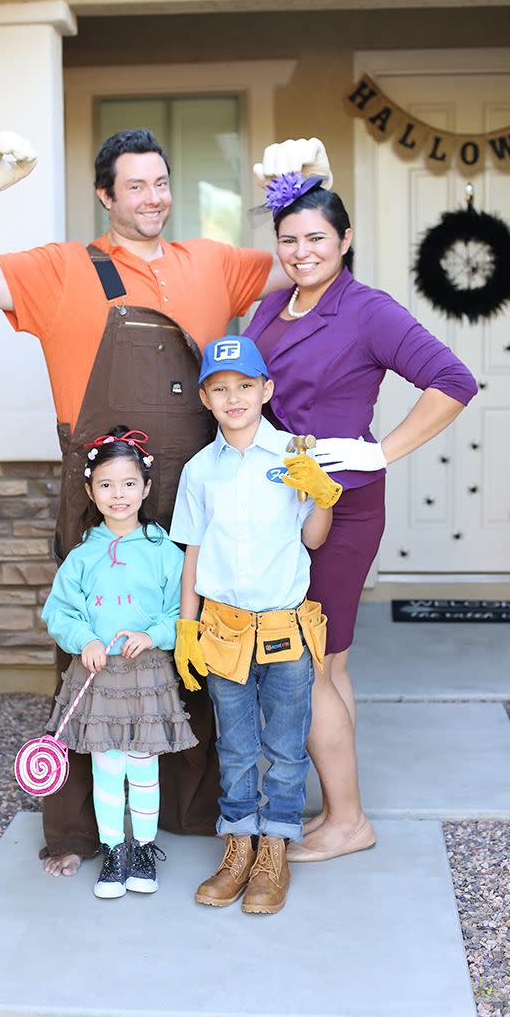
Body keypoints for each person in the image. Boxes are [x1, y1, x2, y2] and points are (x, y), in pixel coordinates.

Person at [0, 126, 313, 877]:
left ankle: (199, 809)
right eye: (135, 185)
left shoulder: (210, 262)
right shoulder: (60, 269)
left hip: (197, 486)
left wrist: (301, 188)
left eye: (161, 182)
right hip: (105, 492)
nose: (153, 198)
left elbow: (307, 259)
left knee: (197, 639)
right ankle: (78, 828)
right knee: (93, 650)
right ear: (105, 195)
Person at [242, 162, 479, 863]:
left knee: (307, 663)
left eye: (316, 237)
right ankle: (337, 808)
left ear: (344, 241)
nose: (301, 251)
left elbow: (454, 381)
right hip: (278, 503)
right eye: (288, 239)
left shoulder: (367, 309)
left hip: (338, 507)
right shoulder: (272, 306)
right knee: (330, 664)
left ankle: (349, 822)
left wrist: (383, 453)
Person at [170, 335, 342, 914]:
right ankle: (239, 844)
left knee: (286, 747)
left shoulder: (294, 457)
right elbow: (193, 551)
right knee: (237, 745)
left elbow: (313, 539)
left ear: (266, 390)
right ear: (205, 399)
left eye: (246, 386)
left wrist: (321, 496)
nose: (234, 397)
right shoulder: (199, 472)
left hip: (286, 630)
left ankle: (276, 850)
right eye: (221, 389)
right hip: (222, 632)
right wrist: (186, 630)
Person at [41, 426, 197, 898]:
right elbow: (59, 611)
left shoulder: (165, 552)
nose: (118, 494)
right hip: (98, 677)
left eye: (128, 483)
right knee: (106, 764)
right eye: (106, 484)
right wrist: (84, 638)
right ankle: (113, 850)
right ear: (90, 490)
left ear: (146, 488)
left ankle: (143, 849)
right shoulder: (83, 556)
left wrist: (153, 633)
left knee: (142, 763)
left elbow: (184, 612)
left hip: (146, 675)